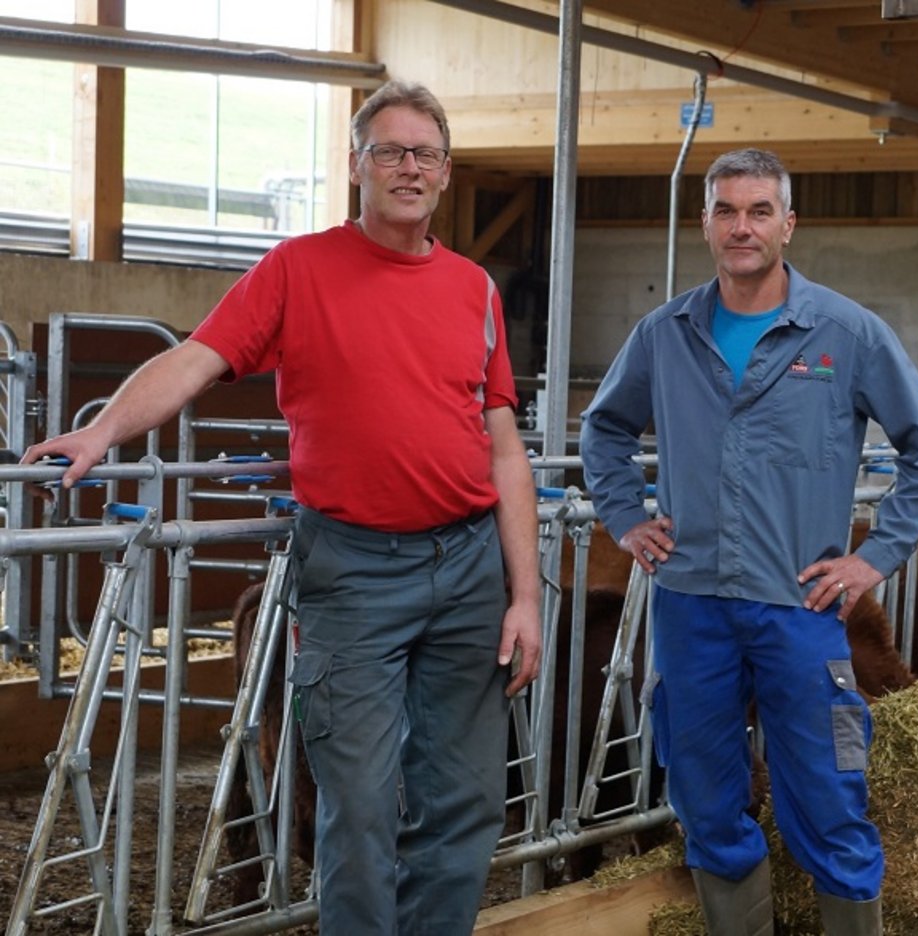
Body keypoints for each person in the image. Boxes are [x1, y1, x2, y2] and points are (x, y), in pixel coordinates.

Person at [21, 80, 541, 934]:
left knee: (467, 802)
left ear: (445, 173)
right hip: (355, 569)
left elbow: (505, 450)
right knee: (359, 803)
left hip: (469, 564)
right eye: (390, 151)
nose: (408, 168)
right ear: (355, 166)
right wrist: (102, 432)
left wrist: (524, 595)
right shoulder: (298, 269)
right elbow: (195, 359)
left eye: (426, 154)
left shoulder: (474, 289)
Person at [579, 148, 918, 935]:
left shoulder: (845, 333)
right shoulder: (665, 332)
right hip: (692, 606)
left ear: (788, 224)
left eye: (759, 211)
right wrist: (624, 515)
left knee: (827, 794)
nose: (741, 227)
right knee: (705, 796)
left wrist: (874, 556)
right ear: (706, 224)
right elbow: (604, 427)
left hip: (801, 605)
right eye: (726, 211)